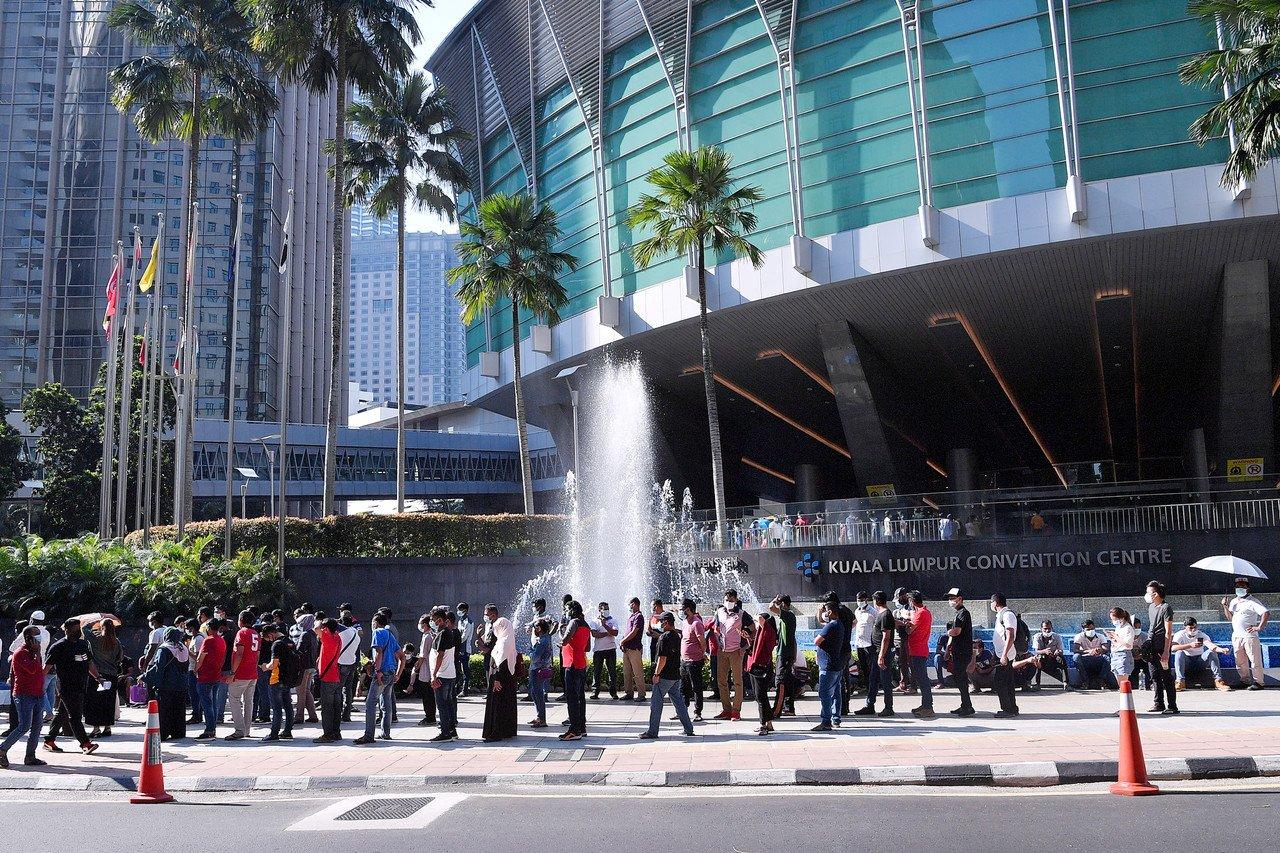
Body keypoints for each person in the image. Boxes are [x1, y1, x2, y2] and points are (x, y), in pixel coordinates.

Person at [43, 618, 101, 755]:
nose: (78, 632)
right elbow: (46, 667)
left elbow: (89, 663)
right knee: (75, 716)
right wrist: (38, 682)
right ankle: (85, 744)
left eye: (78, 628)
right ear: (66, 630)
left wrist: (98, 677)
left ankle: (49, 740)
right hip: (66, 687)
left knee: (62, 712)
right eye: (74, 629)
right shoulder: (58, 646)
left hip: (81, 685)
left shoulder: (83, 644)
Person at [639, 612, 695, 740]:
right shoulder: (676, 636)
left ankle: (652, 731)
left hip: (664, 676)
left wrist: (656, 674)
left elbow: (662, 659)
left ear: (666, 622)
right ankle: (689, 728)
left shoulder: (664, 638)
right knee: (679, 703)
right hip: (675, 675)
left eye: (661, 621)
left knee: (656, 703)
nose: (659, 623)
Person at [1, 626, 49, 769]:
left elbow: (39, 672)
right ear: (28, 638)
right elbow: (33, 669)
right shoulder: (20, 653)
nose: (40, 638)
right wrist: (36, 653)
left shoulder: (35, 652)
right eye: (37, 636)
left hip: (38, 694)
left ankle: (30, 756)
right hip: (24, 695)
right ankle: (2, 749)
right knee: (24, 726)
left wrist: (37, 653)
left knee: (37, 726)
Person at [355, 612, 404, 744]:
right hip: (391, 672)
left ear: (375, 622)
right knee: (386, 703)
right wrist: (398, 674)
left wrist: (377, 671)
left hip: (382, 673)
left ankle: (369, 735)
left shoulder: (377, 632)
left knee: (370, 703)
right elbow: (402, 656)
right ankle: (385, 733)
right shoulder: (390, 635)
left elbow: (378, 652)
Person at [1222, 577, 1269, 690]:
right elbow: (1230, 618)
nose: (1239, 588)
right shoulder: (1234, 601)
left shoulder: (1252, 601)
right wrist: (1225, 606)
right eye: (1238, 586)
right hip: (1237, 635)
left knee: (1254, 659)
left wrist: (1259, 627)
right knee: (1240, 660)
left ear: (1248, 588)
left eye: (1242, 586)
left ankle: (1259, 682)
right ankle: (1245, 680)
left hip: (1249, 636)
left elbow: (1265, 613)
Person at [855, 591, 896, 718]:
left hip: (881, 653)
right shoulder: (882, 614)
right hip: (877, 652)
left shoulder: (884, 614)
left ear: (876, 601)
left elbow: (886, 637)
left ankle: (888, 707)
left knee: (885, 681)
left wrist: (881, 656)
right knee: (873, 679)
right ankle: (870, 705)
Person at [481, 606, 518, 742]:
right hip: (507, 679)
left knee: (496, 706)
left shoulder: (503, 642)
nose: (495, 629)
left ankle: (495, 733)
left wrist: (496, 680)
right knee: (506, 704)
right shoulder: (509, 640)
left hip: (499, 679)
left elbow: (499, 662)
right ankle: (507, 730)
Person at [145, 627, 189, 741]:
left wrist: (149, 680)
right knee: (178, 710)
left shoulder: (164, 649)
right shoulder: (183, 648)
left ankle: (164, 733)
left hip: (167, 685)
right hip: (181, 685)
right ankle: (178, 732)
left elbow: (159, 668)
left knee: (164, 711)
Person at [224, 610, 260, 740]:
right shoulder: (256, 633)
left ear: (241, 620)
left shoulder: (242, 632)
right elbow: (257, 654)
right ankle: (246, 730)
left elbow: (239, 653)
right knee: (248, 701)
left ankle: (239, 730)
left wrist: (233, 672)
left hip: (241, 673)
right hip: (252, 672)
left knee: (234, 699)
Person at [85, 619, 123, 737]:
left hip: (97, 675)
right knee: (108, 702)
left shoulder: (96, 640)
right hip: (112, 675)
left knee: (94, 701)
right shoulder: (116, 642)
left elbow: (84, 629)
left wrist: (94, 621)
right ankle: (107, 727)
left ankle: (96, 729)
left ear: (102, 627)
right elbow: (120, 658)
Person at [260, 624, 298, 741]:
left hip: (276, 678)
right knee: (288, 706)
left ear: (271, 635)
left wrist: (265, 666)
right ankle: (287, 731)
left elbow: (274, 664)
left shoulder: (276, 644)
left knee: (276, 708)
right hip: (288, 678)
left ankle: (274, 733)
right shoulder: (290, 642)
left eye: (268, 639)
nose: (269, 641)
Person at [559, 601, 591, 741]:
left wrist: (560, 630)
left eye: (566, 609)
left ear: (572, 610)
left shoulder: (573, 622)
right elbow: (588, 648)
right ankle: (582, 728)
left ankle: (574, 730)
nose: (565, 612)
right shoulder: (585, 624)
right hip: (581, 663)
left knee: (572, 698)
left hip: (571, 663)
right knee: (580, 697)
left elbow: (564, 641)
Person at [1146, 580, 1178, 714]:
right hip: (1151, 643)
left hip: (1161, 643)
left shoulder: (1166, 608)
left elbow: (1168, 631)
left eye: (1150, 593)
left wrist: (1166, 651)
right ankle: (1158, 702)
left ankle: (1172, 705)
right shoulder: (1151, 607)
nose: (1147, 595)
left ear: (1156, 594)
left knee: (1166, 675)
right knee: (1154, 674)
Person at [812, 600, 845, 730]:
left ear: (830, 612)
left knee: (824, 693)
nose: (825, 613)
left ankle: (825, 721)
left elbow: (816, 641)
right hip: (836, 664)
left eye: (826, 610)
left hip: (828, 665)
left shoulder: (831, 625)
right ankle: (836, 718)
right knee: (836, 692)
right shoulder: (839, 624)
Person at [1172, 617, 1230, 691]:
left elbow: (1211, 646)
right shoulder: (1180, 635)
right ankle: (1180, 681)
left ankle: (1218, 681)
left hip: (1200, 661)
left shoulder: (1201, 635)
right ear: (1185, 627)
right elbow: (1173, 648)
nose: (1193, 630)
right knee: (1179, 652)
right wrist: (1190, 645)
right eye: (1190, 628)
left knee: (1211, 652)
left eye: (1195, 627)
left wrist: (1222, 650)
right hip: (1186, 661)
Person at [714, 589, 746, 721]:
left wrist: (745, 646)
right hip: (722, 651)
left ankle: (736, 711)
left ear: (736, 600)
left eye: (731, 600)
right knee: (721, 681)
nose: (729, 602)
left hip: (736, 651)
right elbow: (716, 627)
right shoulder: (719, 612)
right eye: (727, 600)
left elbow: (753, 629)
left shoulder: (742, 614)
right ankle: (726, 709)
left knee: (737, 681)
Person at [429, 608, 460, 743]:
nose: (432, 622)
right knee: (448, 704)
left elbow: (440, 655)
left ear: (440, 620)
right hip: (449, 673)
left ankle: (445, 732)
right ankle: (451, 731)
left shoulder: (443, 633)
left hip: (442, 675)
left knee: (442, 705)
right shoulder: (447, 632)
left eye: (433, 620)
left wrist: (434, 674)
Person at [313, 618, 346, 743]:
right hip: (336, 676)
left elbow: (316, 628)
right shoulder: (337, 637)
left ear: (326, 628)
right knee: (336, 707)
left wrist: (319, 621)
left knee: (327, 708)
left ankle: (327, 734)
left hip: (327, 678)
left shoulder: (327, 637)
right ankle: (336, 732)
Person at [194, 619, 225, 739]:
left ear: (209, 628)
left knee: (206, 703)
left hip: (205, 675)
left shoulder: (208, 640)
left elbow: (200, 659)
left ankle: (209, 729)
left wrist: (195, 670)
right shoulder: (221, 640)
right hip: (216, 674)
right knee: (213, 703)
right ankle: (213, 728)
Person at [945, 589, 974, 716]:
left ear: (960, 598)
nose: (951, 601)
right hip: (958, 651)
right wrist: (948, 649)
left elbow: (956, 631)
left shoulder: (963, 613)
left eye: (953, 598)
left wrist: (949, 632)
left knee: (961, 679)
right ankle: (965, 705)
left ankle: (967, 707)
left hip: (963, 652)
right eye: (950, 598)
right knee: (960, 679)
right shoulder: (958, 614)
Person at [989, 594, 1019, 718]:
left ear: (995, 603)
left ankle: (1008, 709)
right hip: (1001, 654)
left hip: (1005, 655)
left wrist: (1004, 655)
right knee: (1006, 682)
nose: (991, 604)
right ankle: (1011, 708)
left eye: (991, 602)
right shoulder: (1001, 615)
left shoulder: (1007, 615)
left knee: (1001, 681)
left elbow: (1010, 635)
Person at [748, 609, 777, 735]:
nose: (756, 622)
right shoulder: (761, 631)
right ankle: (769, 723)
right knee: (761, 696)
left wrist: (757, 617)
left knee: (761, 697)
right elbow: (755, 649)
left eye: (758, 620)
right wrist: (749, 638)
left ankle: (763, 725)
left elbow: (760, 619)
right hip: (757, 667)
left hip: (762, 668)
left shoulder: (768, 631)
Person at [906, 591, 934, 718]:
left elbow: (910, 630)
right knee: (921, 678)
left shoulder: (920, 613)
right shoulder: (925, 612)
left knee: (923, 680)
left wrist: (903, 624)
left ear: (912, 601)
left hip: (918, 650)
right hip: (919, 649)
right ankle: (925, 705)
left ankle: (928, 707)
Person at [678, 599, 707, 721]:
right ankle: (683, 710)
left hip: (694, 661)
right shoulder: (685, 621)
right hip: (684, 660)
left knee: (696, 687)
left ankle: (697, 712)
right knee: (683, 687)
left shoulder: (696, 623)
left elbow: (702, 641)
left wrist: (702, 653)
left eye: (682, 609)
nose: (681, 611)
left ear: (688, 609)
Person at [406, 614, 437, 726]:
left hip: (426, 669)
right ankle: (430, 716)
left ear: (425, 624)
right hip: (429, 668)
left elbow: (423, 655)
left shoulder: (427, 637)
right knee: (429, 695)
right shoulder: (431, 635)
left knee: (427, 695)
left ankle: (430, 717)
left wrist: (417, 666)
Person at [769, 595, 797, 719]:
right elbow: (793, 638)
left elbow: (771, 607)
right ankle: (788, 707)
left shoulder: (787, 615)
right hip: (787, 653)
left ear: (784, 604)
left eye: (780, 604)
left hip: (784, 654)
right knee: (788, 680)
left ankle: (776, 710)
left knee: (779, 681)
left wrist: (775, 599)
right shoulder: (787, 617)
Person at [291, 611, 320, 725]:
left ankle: (299, 716)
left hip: (303, 667)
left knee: (300, 692)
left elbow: (299, 651)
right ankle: (312, 715)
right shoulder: (313, 635)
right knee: (307, 691)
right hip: (311, 666)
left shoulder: (305, 635)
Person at [589, 602, 619, 700]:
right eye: (604, 609)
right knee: (597, 671)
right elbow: (594, 634)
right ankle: (595, 691)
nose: (606, 610)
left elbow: (615, 633)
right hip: (598, 650)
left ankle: (613, 692)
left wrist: (604, 626)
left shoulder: (613, 620)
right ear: (599, 610)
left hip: (610, 649)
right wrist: (608, 633)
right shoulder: (594, 621)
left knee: (612, 672)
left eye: (607, 608)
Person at [528, 618, 553, 728]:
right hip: (540, 668)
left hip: (537, 669)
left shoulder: (542, 641)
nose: (534, 630)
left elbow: (534, 657)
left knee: (537, 694)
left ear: (539, 628)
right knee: (535, 693)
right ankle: (539, 716)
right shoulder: (546, 638)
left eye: (535, 627)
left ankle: (542, 719)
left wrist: (530, 651)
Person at [620, 598, 646, 702]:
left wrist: (622, 641)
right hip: (627, 649)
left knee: (637, 673)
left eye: (630, 604)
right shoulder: (631, 616)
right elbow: (628, 631)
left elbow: (634, 632)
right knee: (627, 673)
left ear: (634, 604)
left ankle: (641, 695)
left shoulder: (639, 616)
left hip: (634, 648)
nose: (629, 606)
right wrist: (623, 641)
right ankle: (629, 693)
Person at [1071, 620, 1110, 690]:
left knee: (1107, 658)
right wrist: (1089, 651)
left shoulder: (1101, 636)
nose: (1091, 631)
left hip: (1098, 658)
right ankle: (1085, 681)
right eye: (1088, 629)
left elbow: (1106, 649)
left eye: (1092, 628)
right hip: (1085, 659)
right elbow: (1075, 650)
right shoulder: (1079, 636)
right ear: (1083, 630)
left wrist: (1100, 650)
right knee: (1076, 657)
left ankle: (1101, 680)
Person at [336, 612, 361, 722]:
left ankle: (338, 713)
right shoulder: (356, 633)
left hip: (341, 663)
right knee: (348, 689)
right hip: (352, 663)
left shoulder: (341, 634)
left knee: (338, 689)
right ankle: (347, 714)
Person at [1032, 620, 1068, 690]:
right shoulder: (1037, 636)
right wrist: (1045, 651)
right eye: (1045, 628)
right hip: (1043, 658)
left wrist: (1058, 652)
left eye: (1049, 628)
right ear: (1041, 629)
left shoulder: (1057, 637)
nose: (1047, 630)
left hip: (1054, 657)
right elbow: (1036, 651)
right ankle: (1037, 684)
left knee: (1062, 659)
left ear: (1052, 628)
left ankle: (1066, 683)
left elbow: (1061, 650)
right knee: (1037, 659)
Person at [1105, 608, 1136, 689]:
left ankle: (1126, 700)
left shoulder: (1128, 628)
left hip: (1123, 655)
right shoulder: (1119, 627)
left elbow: (1128, 644)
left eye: (1114, 619)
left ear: (1121, 618)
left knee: (1123, 683)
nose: (1113, 621)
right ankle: (1123, 699)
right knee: (1120, 684)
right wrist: (1112, 637)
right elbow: (1118, 642)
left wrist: (1115, 636)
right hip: (1115, 654)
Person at [853, 592, 875, 695]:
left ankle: (873, 687)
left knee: (871, 666)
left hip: (869, 643)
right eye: (858, 600)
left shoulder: (872, 611)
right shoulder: (857, 611)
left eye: (861, 600)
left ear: (866, 600)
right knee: (863, 666)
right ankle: (867, 686)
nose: (859, 602)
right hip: (859, 643)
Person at [456, 603, 474, 697]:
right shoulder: (460, 621)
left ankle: (465, 689)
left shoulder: (469, 622)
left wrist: (455, 640)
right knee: (458, 670)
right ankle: (458, 688)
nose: (458, 612)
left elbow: (464, 637)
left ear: (465, 610)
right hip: (459, 648)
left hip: (465, 649)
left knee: (465, 670)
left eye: (460, 610)